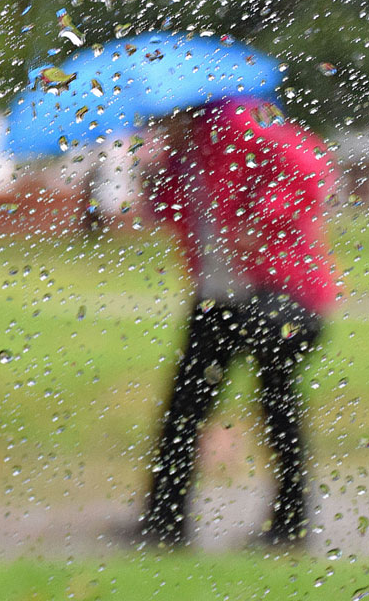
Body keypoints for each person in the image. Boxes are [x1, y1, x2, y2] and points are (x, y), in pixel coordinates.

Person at [136, 97, 340, 548]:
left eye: (157, 119)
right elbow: (166, 213)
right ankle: (164, 523)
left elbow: (312, 166)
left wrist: (260, 215)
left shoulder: (239, 123)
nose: (152, 129)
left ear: (182, 109)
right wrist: (151, 176)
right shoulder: (182, 155)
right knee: (184, 409)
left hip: (282, 294)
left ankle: (290, 523)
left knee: (275, 401)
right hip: (218, 297)